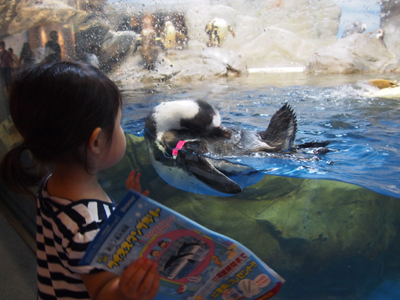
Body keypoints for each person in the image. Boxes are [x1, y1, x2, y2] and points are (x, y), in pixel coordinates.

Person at [0, 61, 159, 300]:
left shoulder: (51, 186)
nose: (123, 132)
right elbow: (102, 290)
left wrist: (127, 212)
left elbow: (78, 250)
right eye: (118, 124)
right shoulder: (89, 224)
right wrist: (126, 291)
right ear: (95, 142)